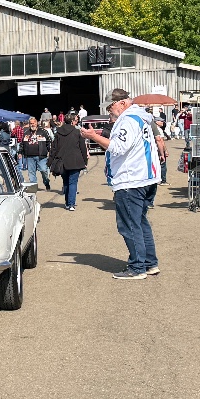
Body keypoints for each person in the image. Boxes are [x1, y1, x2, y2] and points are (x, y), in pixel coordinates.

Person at [82, 89, 162, 280]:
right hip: (146, 177)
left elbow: (118, 147)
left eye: (111, 106)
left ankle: (137, 267)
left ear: (123, 103)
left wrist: (93, 137)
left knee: (129, 225)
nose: (110, 111)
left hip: (131, 180)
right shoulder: (142, 117)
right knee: (141, 223)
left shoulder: (127, 120)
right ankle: (149, 263)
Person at [48, 112, 88, 211]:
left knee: (66, 182)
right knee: (73, 182)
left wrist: (50, 162)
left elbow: (54, 149)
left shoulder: (58, 133)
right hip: (75, 161)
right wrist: (85, 161)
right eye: (76, 120)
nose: (77, 122)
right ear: (72, 121)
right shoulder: (77, 132)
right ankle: (71, 204)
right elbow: (83, 148)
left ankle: (67, 203)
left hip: (62, 161)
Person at [20, 117, 52, 190]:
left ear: (36, 123)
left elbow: (48, 142)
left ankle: (46, 182)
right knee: (31, 173)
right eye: (31, 123)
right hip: (29, 156)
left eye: (33, 123)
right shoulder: (26, 133)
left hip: (42, 156)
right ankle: (34, 187)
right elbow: (22, 144)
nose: (32, 125)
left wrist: (50, 151)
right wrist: (20, 152)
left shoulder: (43, 132)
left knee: (44, 170)